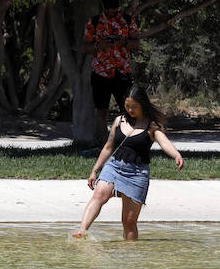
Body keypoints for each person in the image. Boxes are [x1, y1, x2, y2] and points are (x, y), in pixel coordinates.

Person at [71, 85, 184, 241]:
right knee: (99, 194)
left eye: (134, 107)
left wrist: (176, 155)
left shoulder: (152, 126)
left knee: (129, 222)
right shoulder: (119, 120)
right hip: (114, 166)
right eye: (127, 106)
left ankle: (130, 254)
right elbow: (108, 147)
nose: (130, 110)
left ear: (143, 105)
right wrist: (95, 170)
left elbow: (165, 143)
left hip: (137, 173)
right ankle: (82, 230)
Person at [83, 0, 140, 143]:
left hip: (122, 72)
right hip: (100, 73)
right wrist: (98, 46)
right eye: (109, 12)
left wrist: (124, 43)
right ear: (103, 7)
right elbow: (85, 47)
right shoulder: (94, 22)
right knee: (101, 110)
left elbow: (137, 44)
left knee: (128, 110)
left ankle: (127, 143)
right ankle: (102, 143)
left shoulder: (128, 20)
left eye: (115, 12)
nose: (112, 15)